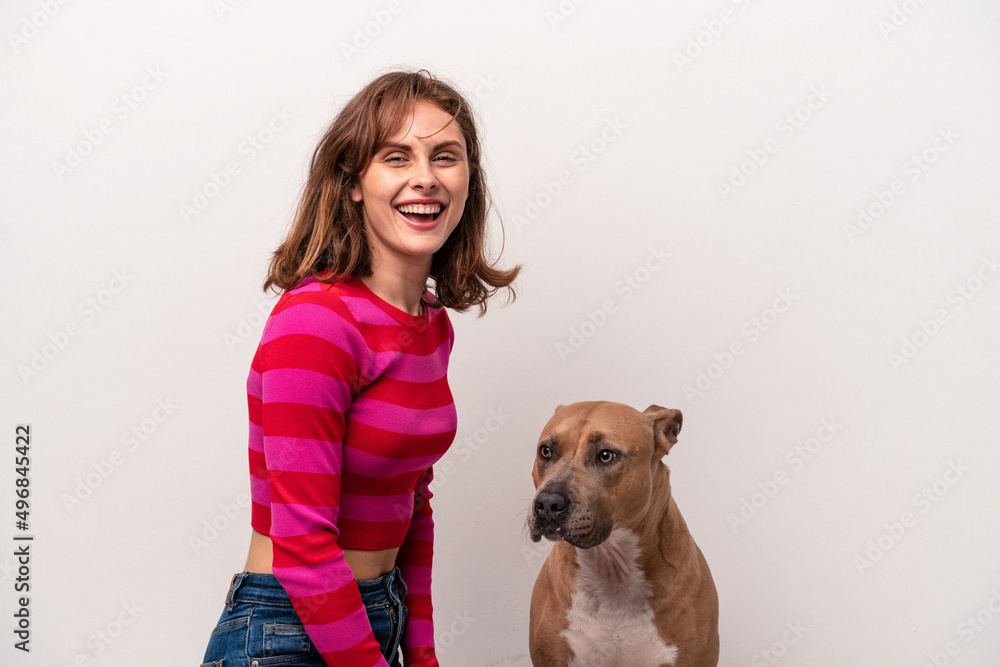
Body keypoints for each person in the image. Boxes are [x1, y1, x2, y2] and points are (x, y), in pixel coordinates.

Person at [201, 69, 519, 667]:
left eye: (445, 157)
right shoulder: (316, 321)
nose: (425, 177)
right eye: (396, 157)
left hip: (374, 616)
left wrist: (421, 655)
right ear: (352, 182)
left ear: (468, 179)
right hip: (285, 631)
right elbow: (303, 546)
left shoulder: (430, 325)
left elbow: (412, 504)